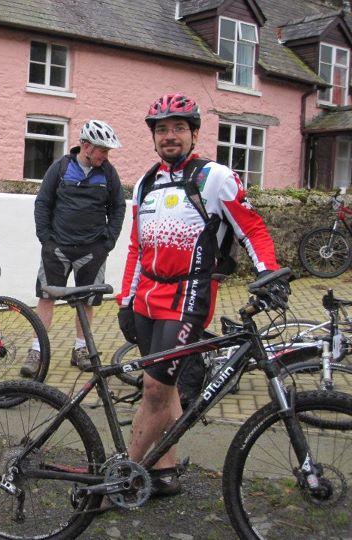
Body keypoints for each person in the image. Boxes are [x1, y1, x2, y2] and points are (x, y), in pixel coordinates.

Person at [116, 93, 281, 496]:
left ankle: (122, 473)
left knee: (154, 389)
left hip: (188, 295)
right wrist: (126, 300)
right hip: (146, 297)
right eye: (162, 130)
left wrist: (270, 273)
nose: (169, 136)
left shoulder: (215, 178)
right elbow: (137, 246)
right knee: (166, 387)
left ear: (194, 133)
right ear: (153, 137)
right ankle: (165, 472)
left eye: (178, 128)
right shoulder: (146, 183)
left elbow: (252, 228)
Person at [21, 120, 126, 376]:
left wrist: (108, 242)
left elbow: (118, 207)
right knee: (46, 297)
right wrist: (45, 239)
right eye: (103, 150)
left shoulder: (108, 173)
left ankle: (80, 349)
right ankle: (37, 350)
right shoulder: (60, 168)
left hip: (92, 250)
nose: (106, 155)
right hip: (57, 247)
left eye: (108, 151)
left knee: (87, 301)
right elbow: (43, 203)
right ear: (86, 146)